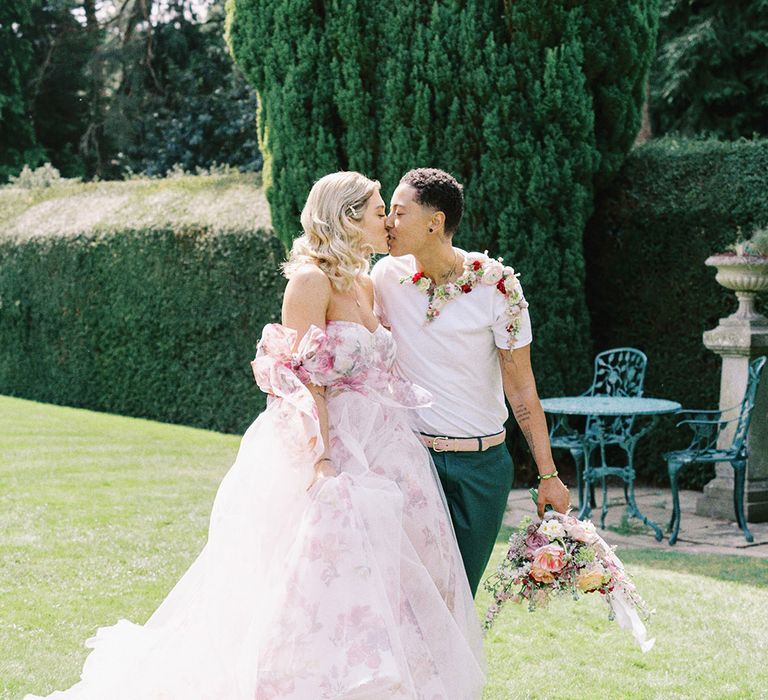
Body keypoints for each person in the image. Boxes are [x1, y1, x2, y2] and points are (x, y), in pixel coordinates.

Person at [25, 172, 484, 700]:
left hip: (386, 446)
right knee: (316, 578)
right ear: (348, 216)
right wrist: (320, 460)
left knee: (388, 580)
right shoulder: (309, 282)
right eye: (380, 209)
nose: (387, 220)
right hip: (332, 446)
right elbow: (299, 378)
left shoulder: (366, 282)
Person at [371, 167, 570, 596]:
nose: (389, 222)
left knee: (459, 597)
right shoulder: (385, 278)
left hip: (482, 470)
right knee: (411, 597)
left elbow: (521, 389)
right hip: (412, 462)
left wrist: (548, 473)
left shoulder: (498, 286)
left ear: (435, 221)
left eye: (399, 212)